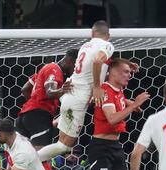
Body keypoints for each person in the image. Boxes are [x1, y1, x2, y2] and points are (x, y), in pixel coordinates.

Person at [37, 20, 118, 162]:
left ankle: (26, 162)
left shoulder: (85, 46)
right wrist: (97, 87)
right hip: (78, 97)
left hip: (72, 92)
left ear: (92, 33)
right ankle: (24, 165)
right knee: (63, 146)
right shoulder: (106, 45)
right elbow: (98, 62)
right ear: (108, 35)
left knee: (63, 143)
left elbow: (98, 66)